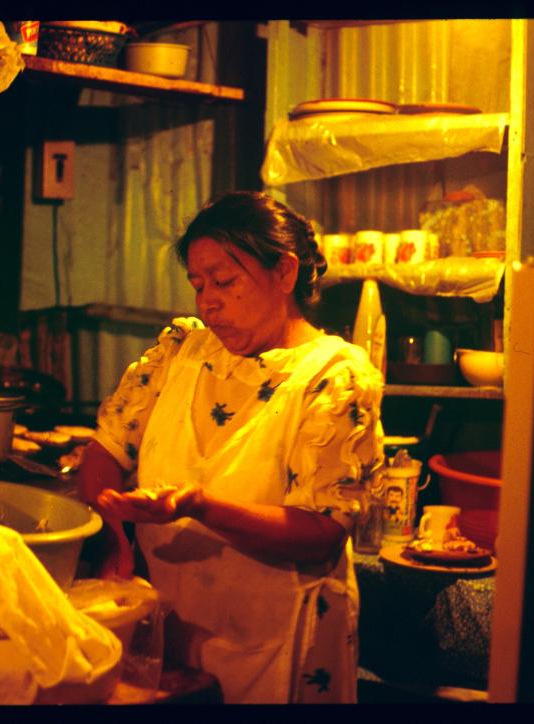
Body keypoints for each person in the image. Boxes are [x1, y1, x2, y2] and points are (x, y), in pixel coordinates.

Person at [75, 190, 385, 704]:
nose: (207, 302)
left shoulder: (333, 378)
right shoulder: (181, 353)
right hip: (176, 628)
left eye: (224, 281)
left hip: (283, 642)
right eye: (198, 285)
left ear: (284, 273)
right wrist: (114, 539)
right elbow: (106, 451)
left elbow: (322, 533)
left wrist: (200, 506)